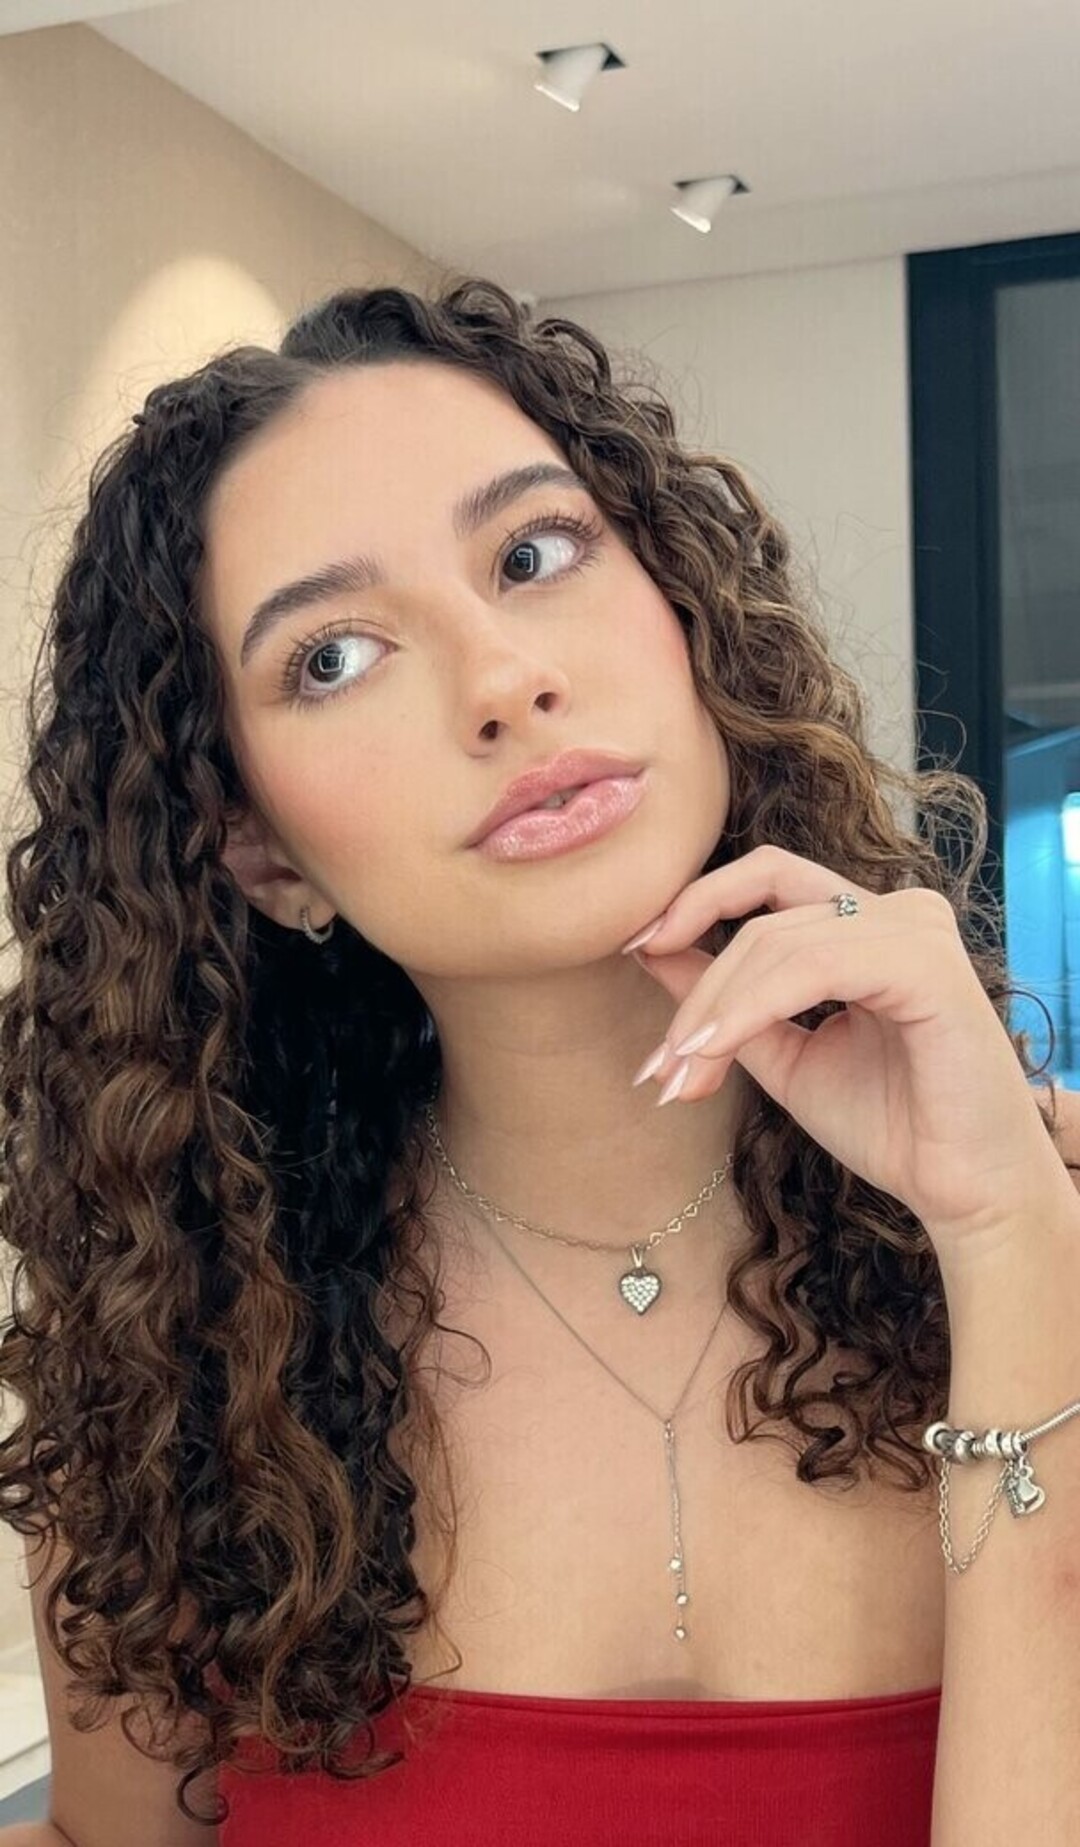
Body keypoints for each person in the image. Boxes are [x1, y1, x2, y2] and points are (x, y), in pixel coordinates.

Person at [0, 276, 1069, 1846]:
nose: (504, 681)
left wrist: (1007, 1236)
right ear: (256, 850)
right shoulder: (180, 1364)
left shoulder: (1042, 1226)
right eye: (332, 656)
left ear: (688, 607)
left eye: (532, 554)